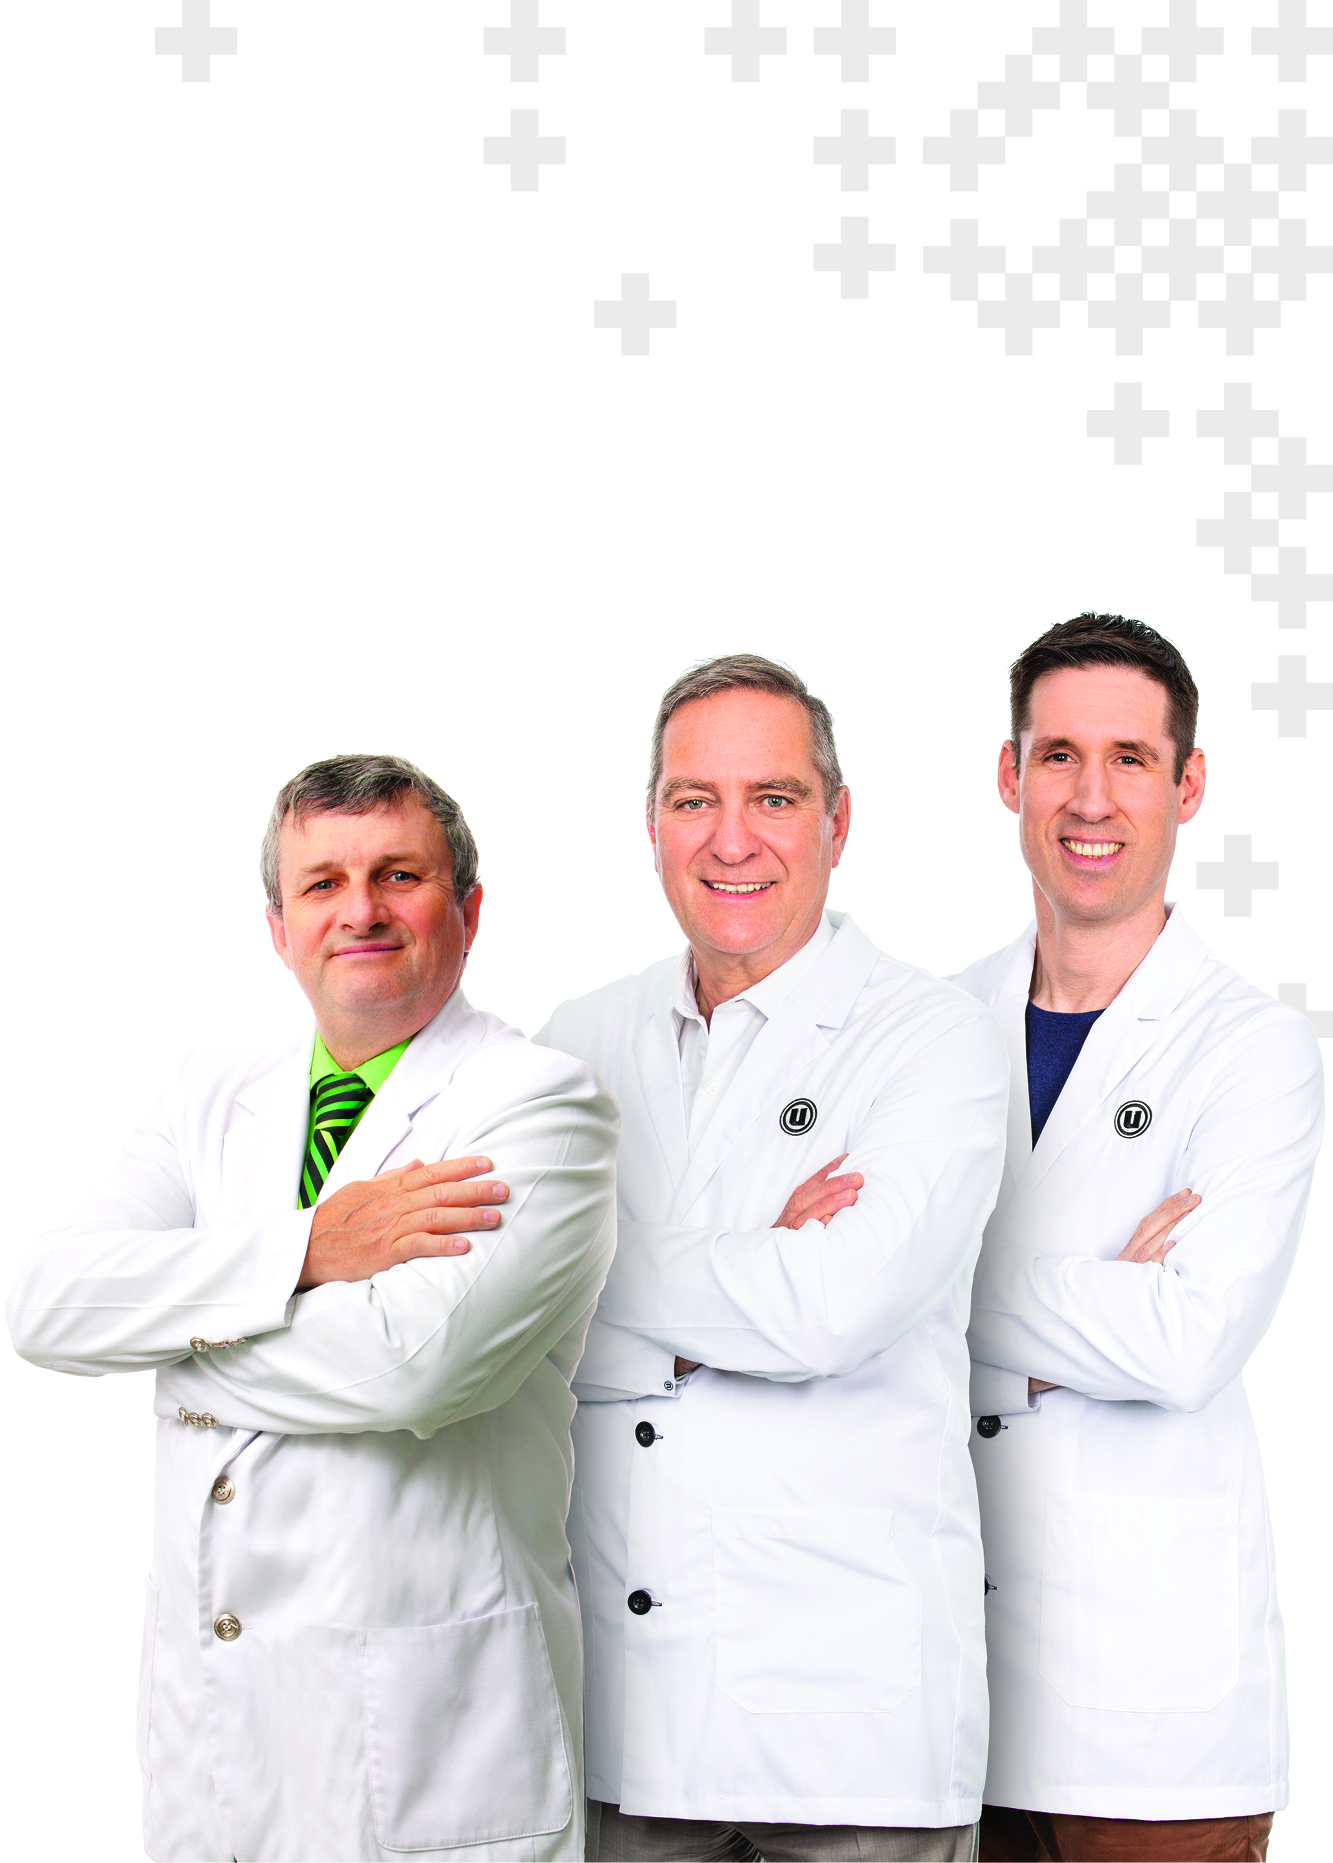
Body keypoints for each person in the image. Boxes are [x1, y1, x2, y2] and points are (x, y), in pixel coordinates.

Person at [7, 754, 618, 1863]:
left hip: (430, 1744)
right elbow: (47, 1302)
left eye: (399, 875)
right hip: (217, 1741)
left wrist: (169, 1345)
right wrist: (306, 1251)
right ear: (278, 928)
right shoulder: (206, 1094)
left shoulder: (539, 1105)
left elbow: (412, 1365)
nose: (360, 911)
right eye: (322, 883)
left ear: (469, 910)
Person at [538, 654, 1010, 1862]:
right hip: (625, 1728)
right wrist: (746, 1263)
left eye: (775, 798)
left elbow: (827, 1310)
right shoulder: (579, 1041)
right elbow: (505, 1322)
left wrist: (583, 1267)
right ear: (651, 825)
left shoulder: (930, 1036)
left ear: (837, 823)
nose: (730, 839)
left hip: (853, 1733)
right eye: (693, 799)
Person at [955, 615, 1324, 1863]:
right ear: (1009, 776)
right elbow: (833, 1318)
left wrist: (935, 1282)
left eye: (1129, 758)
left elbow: (1183, 1341)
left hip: (1152, 1725)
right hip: (941, 1708)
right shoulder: (931, 1029)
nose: (1089, 797)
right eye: (1057, 755)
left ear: (1188, 784)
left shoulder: (1252, 1049)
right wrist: (1081, 1302)